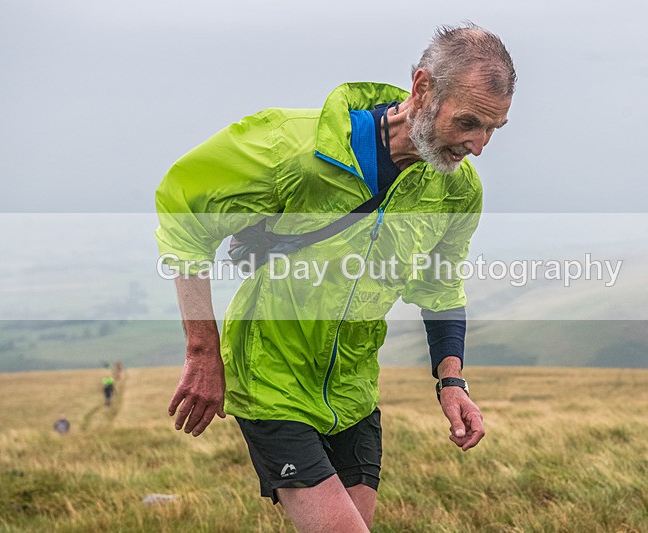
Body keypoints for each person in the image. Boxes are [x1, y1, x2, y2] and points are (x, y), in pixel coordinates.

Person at [155, 23, 515, 531]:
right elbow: (183, 209)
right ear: (422, 88)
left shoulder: (457, 192)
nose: (478, 146)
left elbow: (439, 286)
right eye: (469, 123)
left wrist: (451, 381)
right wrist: (201, 351)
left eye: (493, 129)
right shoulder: (294, 147)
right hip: (272, 379)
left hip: (354, 391)